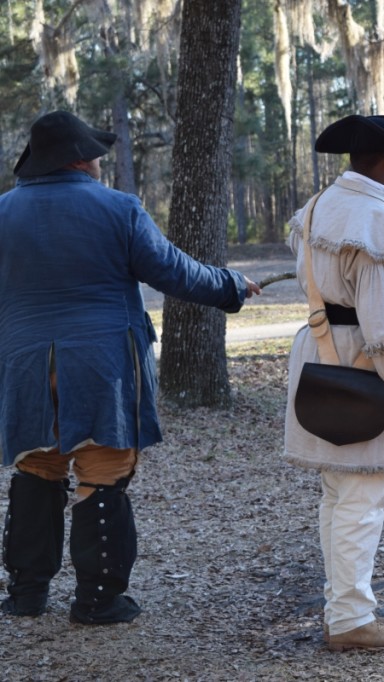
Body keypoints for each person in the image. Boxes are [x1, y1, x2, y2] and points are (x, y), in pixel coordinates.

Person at [0, 110, 262, 624]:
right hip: (102, 367)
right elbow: (172, 271)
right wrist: (230, 285)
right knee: (102, 473)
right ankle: (97, 601)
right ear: (79, 158)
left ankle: (27, 594)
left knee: (37, 468)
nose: (99, 159)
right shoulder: (119, 208)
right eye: (94, 152)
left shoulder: (3, 212)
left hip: (25, 365)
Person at [283, 114, 384, 651]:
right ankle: (349, 621)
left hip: (319, 357)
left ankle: (345, 610)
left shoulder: (319, 207)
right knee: (362, 496)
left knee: (338, 493)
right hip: (359, 363)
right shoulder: (374, 220)